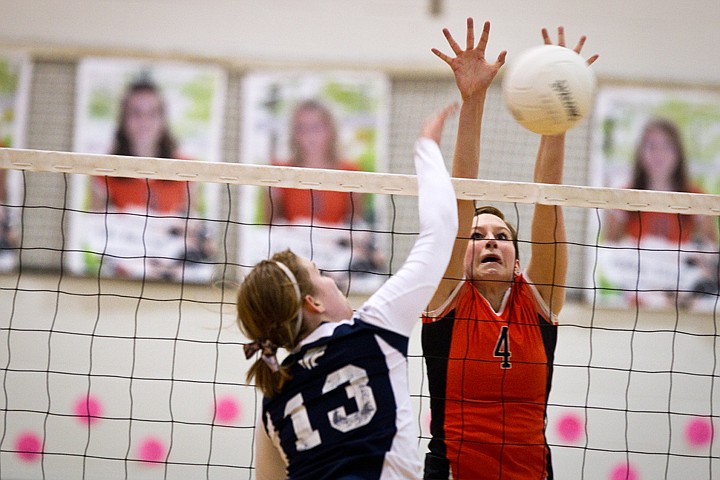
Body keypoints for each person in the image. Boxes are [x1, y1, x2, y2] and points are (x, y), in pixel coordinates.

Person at [237, 104, 459, 479]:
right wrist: (426, 144)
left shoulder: (274, 404)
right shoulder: (374, 331)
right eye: (320, 274)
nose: (332, 280)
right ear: (314, 301)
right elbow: (440, 230)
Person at [421, 18, 598, 479]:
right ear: (461, 251)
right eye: (478, 236)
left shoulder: (538, 302)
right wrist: (473, 101)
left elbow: (547, 202)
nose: (489, 242)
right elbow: (463, 196)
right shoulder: (446, 301)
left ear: (518, 259)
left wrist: (556, 120)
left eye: (502, 236)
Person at [603, 118, 718, 246]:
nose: (659, 153)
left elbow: (710, 249)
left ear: (678, 153)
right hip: (635, 264)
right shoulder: (623, 196)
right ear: (640, 152)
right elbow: (609, 248)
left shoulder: (696, 197)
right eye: (652, 145)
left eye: (667, 146)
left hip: (679, 265)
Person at [93, 78, 193, 215]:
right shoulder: (104, 170)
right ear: (124, 119)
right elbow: (96, 227)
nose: (144, 121)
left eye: (152, 113)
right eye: (136, 112)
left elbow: (192, 227)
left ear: (162, 120)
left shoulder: (187, 168)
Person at [267, 100, 364, 226]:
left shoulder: (350, 172)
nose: (310, 135)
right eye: (301, 128)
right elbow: (269, 229)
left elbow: (356, 227)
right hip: (292, 244)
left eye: (316, 127)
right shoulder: (278, 172)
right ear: (293, 133)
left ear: (331, 129)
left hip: (335, 244)